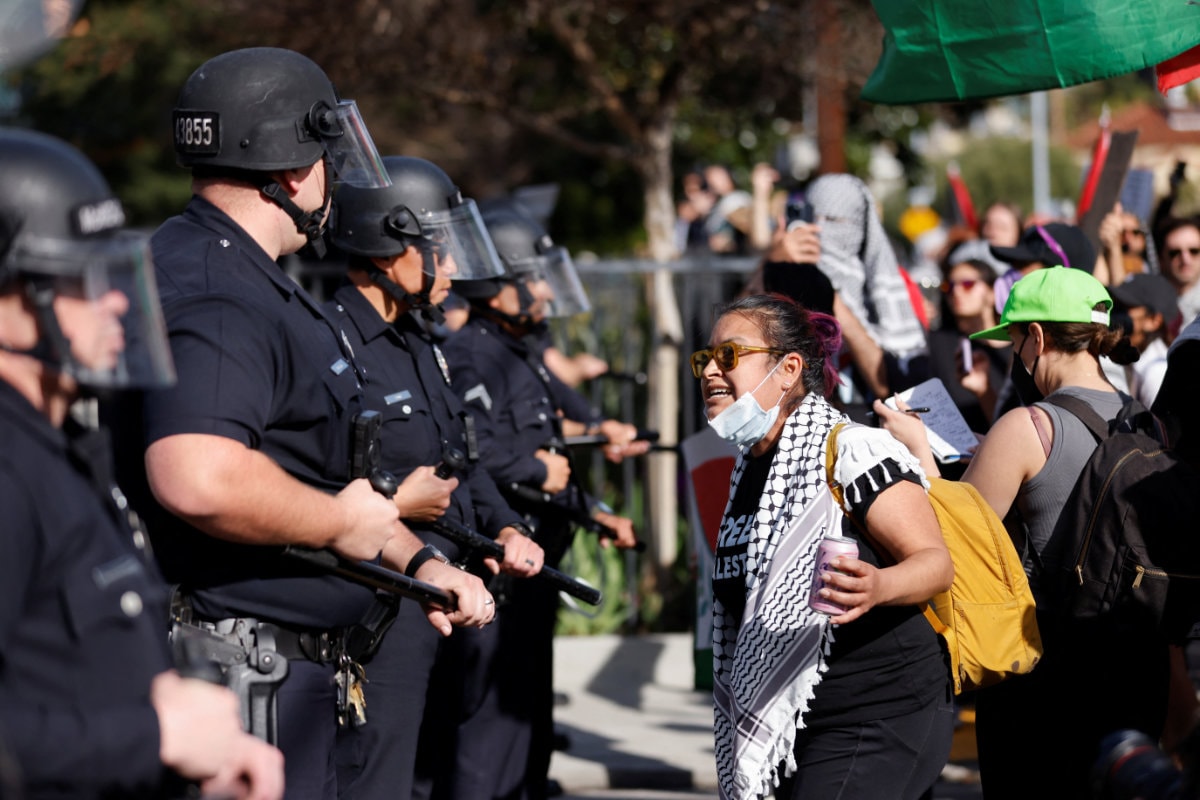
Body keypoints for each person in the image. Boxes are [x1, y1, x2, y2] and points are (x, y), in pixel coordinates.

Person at [110, 48, 408, 800]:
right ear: (294, 170)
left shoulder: (222, 267)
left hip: (263, 676)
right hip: (242, 679)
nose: (334, 178)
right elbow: (197, 474)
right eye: (326, 158)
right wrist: (338, 521)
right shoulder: (220, 290)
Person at [0, 127, 284, 800]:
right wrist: (157, 738)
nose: (119, 302)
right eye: (81, 279)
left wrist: (194, 756)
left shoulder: (58, 447)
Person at [875, 266, 1173, 799]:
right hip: (1134, 672)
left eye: (1014, 339)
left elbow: (954, 544)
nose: (1016, 354)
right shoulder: (1146, 422)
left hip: (1042, 681)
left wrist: (919, 451)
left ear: (1036, 337)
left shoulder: (1026, 426)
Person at [323, 155, 538, 800]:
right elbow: (319, 478)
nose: (451, 269)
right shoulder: (330, 342)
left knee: (451, 765)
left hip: (450, 597)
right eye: (436, 249)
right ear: (389, 251)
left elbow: (460, 462)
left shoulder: (421, 343)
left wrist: (502, 526)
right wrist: (396, 502)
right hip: (385, 606)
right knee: (383, 776)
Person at [702, 294, 954, 800]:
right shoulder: (751, 467)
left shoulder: (855, 449)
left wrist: (878, 585)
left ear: (788, 368)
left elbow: (935, 564)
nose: (709, 371)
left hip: (879, 713)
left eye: (729, 355)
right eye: (704, 358)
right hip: (794, 723)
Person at [429, 206, 640, 800]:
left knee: (524, 712)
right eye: (534, 277)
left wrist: (592, 510)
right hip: (501, 563)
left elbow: (546, 450)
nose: (545, 290)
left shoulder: (515, 349)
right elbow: (475, 452)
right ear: (501, 283)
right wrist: (534, 470)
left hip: (537, 560)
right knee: (489, 724)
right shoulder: (474, 353)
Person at [804, 173, 928, 395]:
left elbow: (890, 387)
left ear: (859, 225)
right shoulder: (788, 274)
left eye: (833, 220)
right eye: (812, 217)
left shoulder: (889, 288)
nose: (820, 229)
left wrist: (835, 301)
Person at [929, 246, 1009, 434]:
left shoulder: (1019, 347)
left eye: (967, 284)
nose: (956, 292)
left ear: (992, 293)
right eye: (949, 286)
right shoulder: (936, 342)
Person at [1109, 272, 1179, 408]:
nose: (1116, 313)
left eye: (1125, 307)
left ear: (1153, 320)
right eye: (1116, 304)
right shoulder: (1133, 359)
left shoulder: (1157, 374)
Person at [1156, 215, 1200, 332]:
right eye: (1175, 253)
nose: (1185, 260)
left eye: (1194, 251)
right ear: (1161, 259)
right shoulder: (1151, 300)